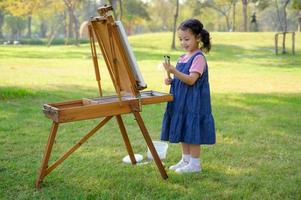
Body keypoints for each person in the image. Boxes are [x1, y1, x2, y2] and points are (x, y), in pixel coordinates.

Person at [161, 19, 216, 174]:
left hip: (194, 103)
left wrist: (174, 71)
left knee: (192, 130)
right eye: (181, 39)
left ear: (197, 38)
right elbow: (181, 78)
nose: (183, 43)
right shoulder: (182, 57)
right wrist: (171, 79)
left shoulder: (198, 58)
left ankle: (195, 164)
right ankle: (185, 160)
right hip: (181, 101)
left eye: (187, 39)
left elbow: (191, 80)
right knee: (184, 127)